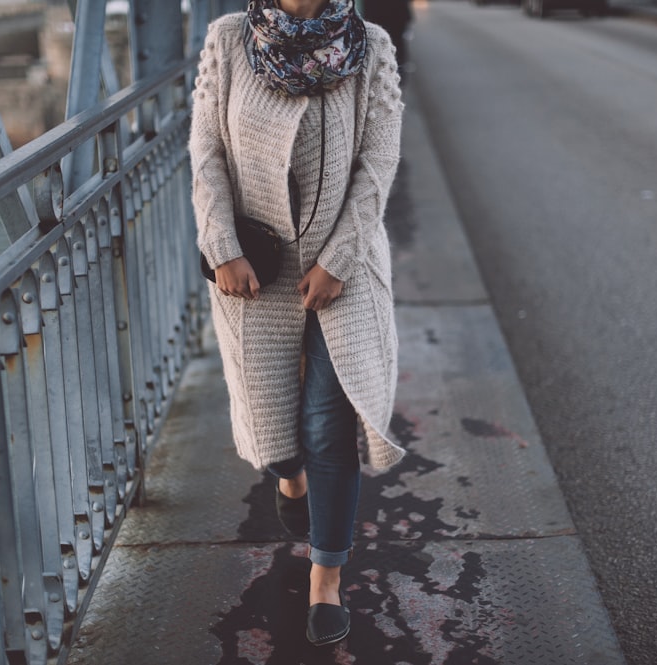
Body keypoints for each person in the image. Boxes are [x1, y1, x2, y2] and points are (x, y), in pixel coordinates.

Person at [189, 0, 406, 647]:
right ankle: (291, 477)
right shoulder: (227, 41)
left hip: (345, 271)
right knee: (276, 436)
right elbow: (205, 150)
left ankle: (326, 579)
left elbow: (378, 165)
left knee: (327, 424)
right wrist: (221, 243)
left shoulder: (371, 48)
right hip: (257, 270)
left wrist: (340, 259)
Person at [362, 0, 412, 72]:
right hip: (394, 15)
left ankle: (395, 69)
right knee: (396, 44)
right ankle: (397, 69)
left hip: (381, 15)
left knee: (388, 45)